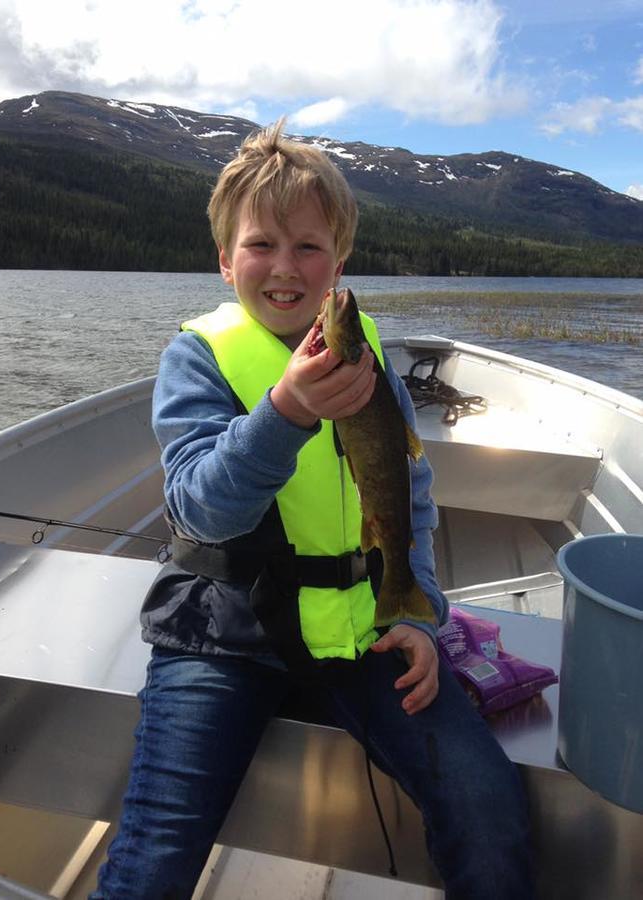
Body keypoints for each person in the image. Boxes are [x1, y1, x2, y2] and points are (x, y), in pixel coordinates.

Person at [92, 122, 534, 900]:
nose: (284, 268)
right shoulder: (197, 357)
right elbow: (200, 508)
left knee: (488, 807)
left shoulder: (365, 354)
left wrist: (421, 613)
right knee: (156, 849)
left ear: (338, 263)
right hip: (219, 636)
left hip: (364, 626)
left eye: (308, 247)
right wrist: (286, 412)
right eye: (261, 245)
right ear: (225, 260)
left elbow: (411, 498)